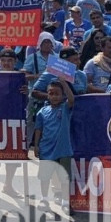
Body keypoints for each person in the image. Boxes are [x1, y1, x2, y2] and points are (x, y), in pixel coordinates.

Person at [31, 77, 74, 209]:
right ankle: (44, 199)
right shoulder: (42, 112)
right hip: (46, 149)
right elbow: (38, 129)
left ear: (62, 95)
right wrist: (36, 146)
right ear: (47, 95)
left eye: (57, 93)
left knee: (64, 177)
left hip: (63, 149)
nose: (54, 96)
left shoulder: (65, 108)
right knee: (44, 177)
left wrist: (63, 82)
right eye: (51, 93)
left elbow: (71, 99)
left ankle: (65, 202)